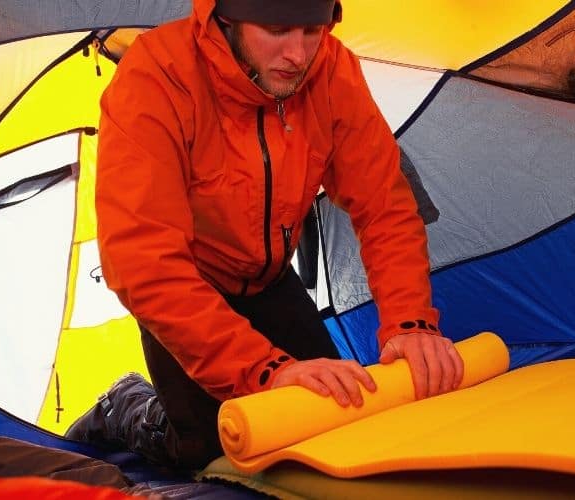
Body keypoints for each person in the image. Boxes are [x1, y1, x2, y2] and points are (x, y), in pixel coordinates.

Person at [67, 0, 463, 469]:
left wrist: (410, 323)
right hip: (189, 289)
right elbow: (142, 261)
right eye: (277, 30)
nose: (299, 54)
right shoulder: (156, 77)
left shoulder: (332, 70)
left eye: (312, 30)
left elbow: (385, 206)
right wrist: (265, 372)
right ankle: (127, 405)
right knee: (211, 452)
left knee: (337, 416)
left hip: (269, 277)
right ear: (227, 18)